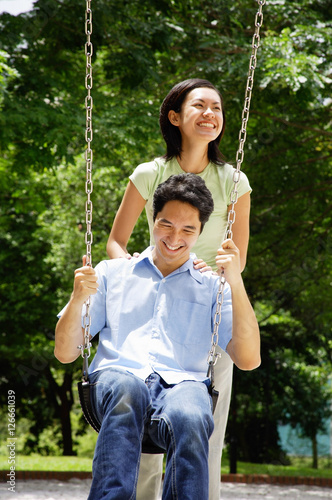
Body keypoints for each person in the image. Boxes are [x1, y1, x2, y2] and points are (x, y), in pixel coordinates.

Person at [55, 174, 260, 500]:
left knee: (192, 411)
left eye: (188, 229)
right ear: (153, 219)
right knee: (128, 389)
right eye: (166, 224)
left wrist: (235, 282)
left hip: (183, 385)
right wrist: (78, 299)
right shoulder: (112, 273)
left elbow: (249, 360)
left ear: (201, 232)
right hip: (117, 380)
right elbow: (66, 352)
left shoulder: (212, 288)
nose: (175, 237)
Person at [106, 79, 252, 499]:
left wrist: (217, 272)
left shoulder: (233, 181)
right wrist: (135, 264)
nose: (211, 114)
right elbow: (117, 241)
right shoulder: (150, 173)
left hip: (209, 312)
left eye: (218, 108)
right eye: (200, 106)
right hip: (153, 311)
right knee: (143, 429)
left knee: (203, 430)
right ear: (175, 117)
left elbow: (237, 256)